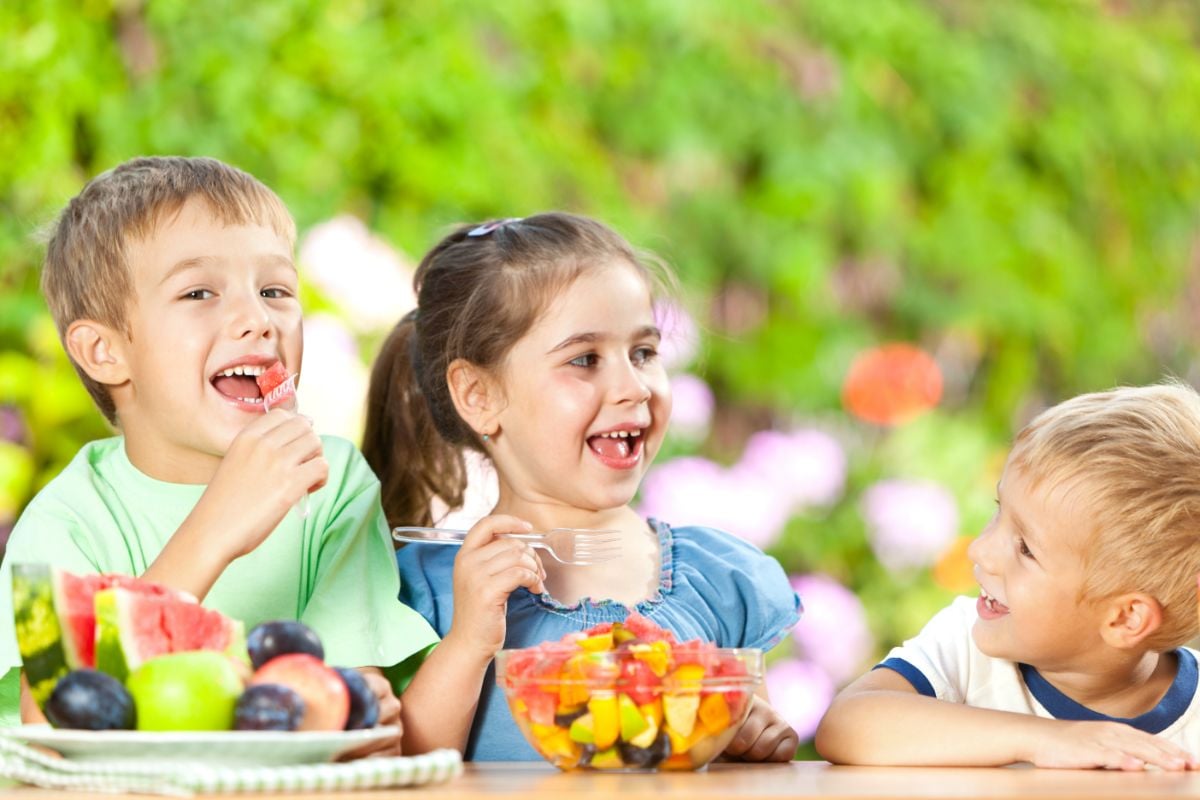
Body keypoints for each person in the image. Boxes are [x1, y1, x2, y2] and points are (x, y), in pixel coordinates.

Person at [0, 157, 444, 754]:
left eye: (275, 290)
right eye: (199, 292)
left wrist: (354, 707)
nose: (258, 320)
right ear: (104, 351)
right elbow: (52, 724)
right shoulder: (66, 519)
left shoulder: (331, 481)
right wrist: (216, 527)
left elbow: (349, 704)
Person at [362, 212, 802, 762]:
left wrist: (748, 733)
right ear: (478, 395)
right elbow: (407, 763)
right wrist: (469, 642)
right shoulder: (429, 592)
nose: (633, 387)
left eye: (643, 353)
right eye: (584, 360)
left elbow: (743, 755)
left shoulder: (717, 580)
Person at [815, 383, 1200, 771]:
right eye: (999, 510)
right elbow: (846, 724)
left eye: (1026, 549)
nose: (978, 550)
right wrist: (1042, 739)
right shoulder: (965, 649)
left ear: (1125, 618)